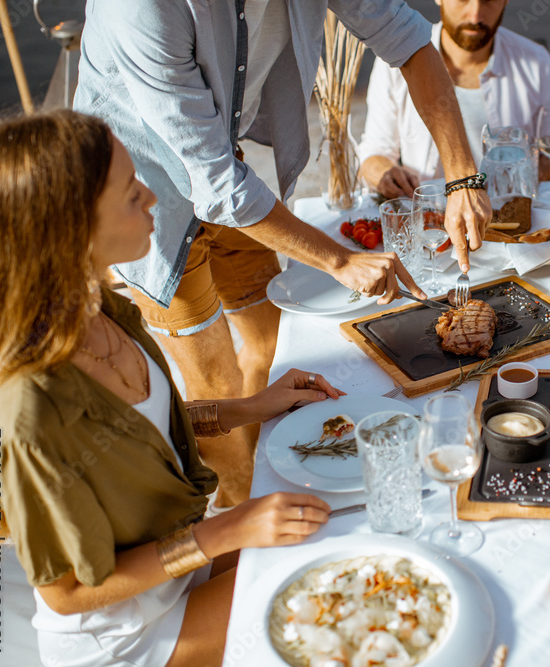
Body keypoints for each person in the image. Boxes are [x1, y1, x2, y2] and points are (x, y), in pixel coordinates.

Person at [73, 0, 491, 506]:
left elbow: (409, 40)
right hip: (139, 197)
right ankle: (242, 525)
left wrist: (462, 175)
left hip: (230, 167)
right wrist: (340, 260)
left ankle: (262, 487)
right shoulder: (139, 8)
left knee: (273, 354)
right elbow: (215, 186)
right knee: (215, 382)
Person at [0, 110, 346, 666]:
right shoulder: (23, 409)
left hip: (181, 569)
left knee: (340, 522)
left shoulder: (108, 312)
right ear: (70, 230)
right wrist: (226, 532)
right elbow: (66, 592)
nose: (152, 196)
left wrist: (254, 405)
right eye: (129, 194)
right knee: (331, 592)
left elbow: (144, 431)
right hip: (131, 634)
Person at [358, 0, 550, 198]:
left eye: (488, 0)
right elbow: (375, 150)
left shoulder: (537, 62)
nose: (475, 15)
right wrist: (385, 174)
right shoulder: (396, 62)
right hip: (428, 220)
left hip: (508, 221)